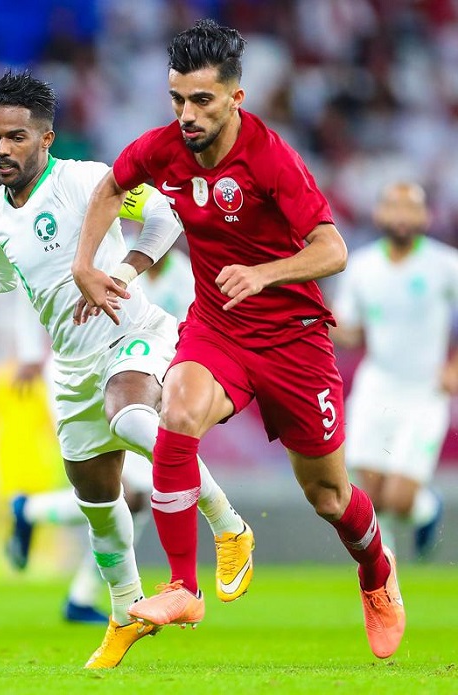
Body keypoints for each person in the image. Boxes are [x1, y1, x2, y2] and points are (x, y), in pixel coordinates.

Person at [0, 69, 253, 669]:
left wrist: (120, 274)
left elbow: (165, 219)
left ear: (46, 138)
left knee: (131, 417)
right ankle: (125, 612)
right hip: (72, 368)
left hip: (133, 333)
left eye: (16, 137)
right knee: (100, 508)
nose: (2, 149)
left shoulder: (86, 180)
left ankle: (228, 525)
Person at [71, 19, 405, 660]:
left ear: (235, 98)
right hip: (219, 326)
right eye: (178, 99)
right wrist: (86, 265)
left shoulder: (271, 157)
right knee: (177, 410)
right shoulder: (162, 148)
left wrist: (264, 272)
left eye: (202, 100)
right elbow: (111, 187)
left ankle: (375, 573)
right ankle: (183, 587)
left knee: (329, 497)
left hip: (294, 342)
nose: (187, 115)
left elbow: (333, 249)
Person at [5, 250, 195, 625]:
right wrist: (28, 352)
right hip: (80, 376)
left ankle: (37, 522)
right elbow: (32, 282)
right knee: (122, 492)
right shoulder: (113, 255)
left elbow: (188, 336)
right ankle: (88, 594)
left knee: (134, 497)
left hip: (139, 387)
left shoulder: (184, 276)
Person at [332, 182, 452, 560]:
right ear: (380, 213)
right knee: (370, 494)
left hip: (425, 393)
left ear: (425, 216)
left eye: (410, 207)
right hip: (377, 387)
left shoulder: (445, 264)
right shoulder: (362, 266)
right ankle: (384, 575)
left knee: (399, 500)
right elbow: (350, 330)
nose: (401, 215)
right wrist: (325, 322)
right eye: (393, 207)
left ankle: (427, 508)